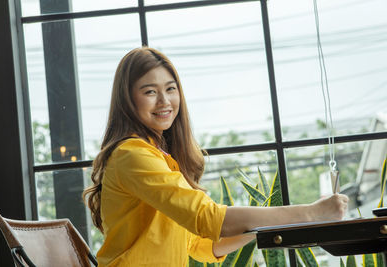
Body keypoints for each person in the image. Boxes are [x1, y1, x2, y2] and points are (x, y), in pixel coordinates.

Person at [82, 46, 348, 266]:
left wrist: (259, 227)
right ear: (127, 99)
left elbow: (201, 244)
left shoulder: (158, 156)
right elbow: (208, 219)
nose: (164, 101)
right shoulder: (133, 155)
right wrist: (312, 213)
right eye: (150, 91)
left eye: (171, 89)